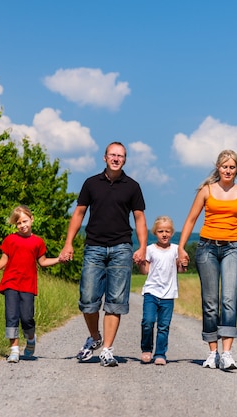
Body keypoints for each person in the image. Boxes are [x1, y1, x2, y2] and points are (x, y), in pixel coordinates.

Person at [59, 142, 147, 367]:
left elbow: (139, 218)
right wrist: (68, 244)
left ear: (125, 160)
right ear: (104, 158)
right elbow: (79, 214)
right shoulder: (91, 184)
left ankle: (107, 349)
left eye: (120, 156)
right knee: (88, 299)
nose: (116, 159)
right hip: (94, 247)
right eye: (112, 155)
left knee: (115, 302)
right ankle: (95, 337)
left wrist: (142, 247)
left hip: (121, 247)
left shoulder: (133, 186)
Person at [177, 149, 237, 371]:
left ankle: (227, 354)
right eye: (224, 166)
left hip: (233, 248)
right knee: (210, 301)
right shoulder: (206, 191)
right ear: (218, 167)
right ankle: (213, 353)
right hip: (206, 248)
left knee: (229, 299)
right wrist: (181, 248)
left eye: (232, 167)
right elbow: (191, 219)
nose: (228, 170)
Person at [0, 205, 61, 363]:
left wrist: (58, 259)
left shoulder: (38, 242)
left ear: (32, 219)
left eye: (25, 221)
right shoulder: (10, 240)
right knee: (11, 317)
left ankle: (31, 338)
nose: (22, 225)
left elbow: (43, 261)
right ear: (15, 225)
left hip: (28, 285)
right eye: (19, 223)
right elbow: (4, 259)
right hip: (10, 283)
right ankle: (14, 350)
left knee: (27, 318)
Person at [139, 216, 185, 366]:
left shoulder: (176, 250)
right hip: (151, 292)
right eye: (160, 231)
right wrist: (139, 262)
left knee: (163, 326)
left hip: (168, 294)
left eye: (167, 231)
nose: (164, 234)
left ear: (172, 232)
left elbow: (180, 270)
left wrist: (183, 264)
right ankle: (146, 349)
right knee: (148, 321)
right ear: (155, 233)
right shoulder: (150, 249)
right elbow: (145, 271)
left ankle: (160, 353)